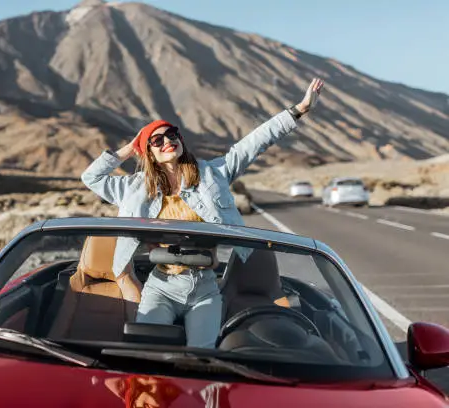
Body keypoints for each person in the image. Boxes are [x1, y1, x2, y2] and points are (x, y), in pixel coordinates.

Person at [81, 78, 325, 348]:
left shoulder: (213, 174)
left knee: (203, 356)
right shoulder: (135, 188)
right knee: (147, 350)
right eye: (157, 140)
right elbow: (91, 177)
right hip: (161, 285)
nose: (167, 142)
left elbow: (253, 143)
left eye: (172, 135)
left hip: (205, 287)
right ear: (148, 153)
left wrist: (299, 109)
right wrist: (132, 146)